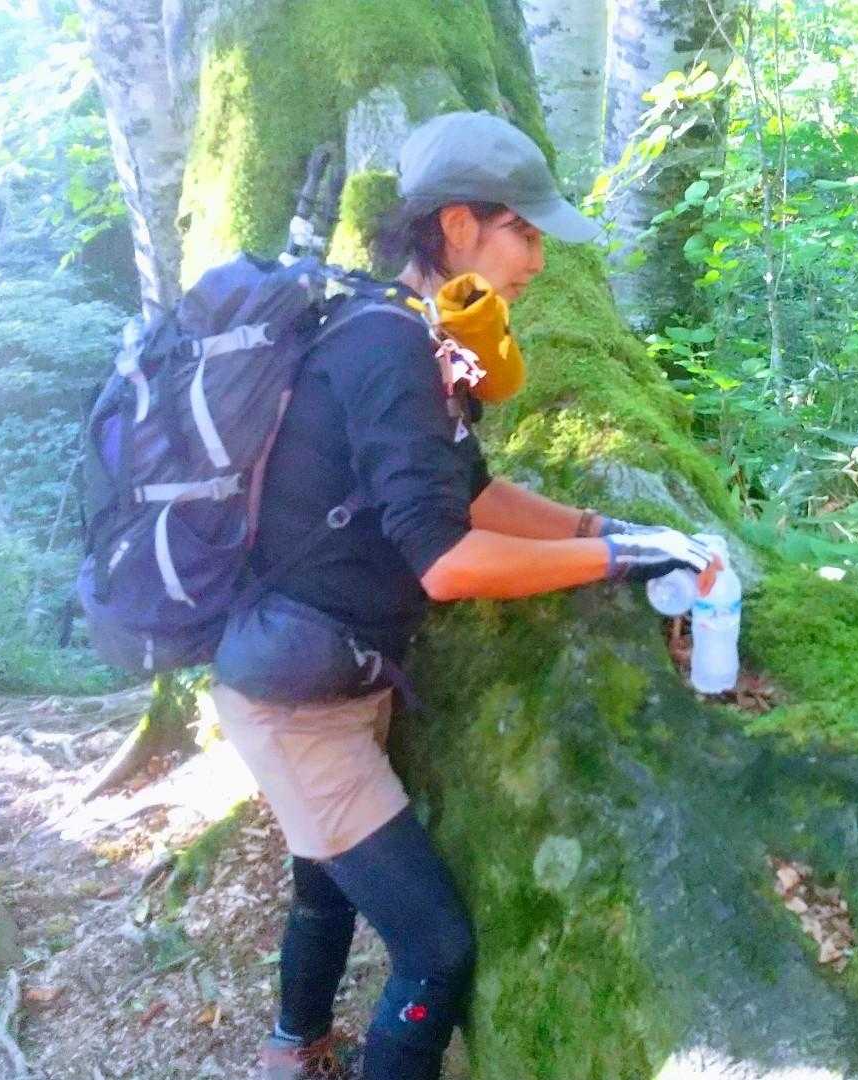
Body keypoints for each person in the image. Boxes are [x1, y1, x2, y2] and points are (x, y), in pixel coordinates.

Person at [213, 111, 713, 1080]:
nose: (538, 259)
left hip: (322, 667)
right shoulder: (390, 348)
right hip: (297, 703)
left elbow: (472, 495)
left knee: (327, 873)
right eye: (522, 231)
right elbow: (446, 560)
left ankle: (294, 1046)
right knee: (435, 951)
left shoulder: (413, 334)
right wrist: (615, 563)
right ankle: (299, 1050)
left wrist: (600, 526)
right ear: (456, 227)